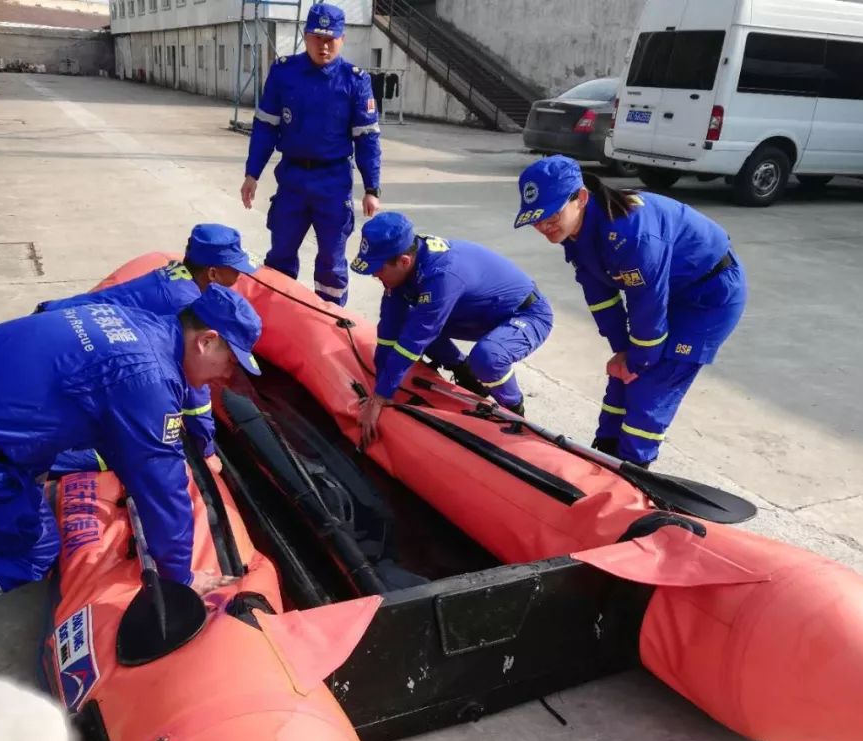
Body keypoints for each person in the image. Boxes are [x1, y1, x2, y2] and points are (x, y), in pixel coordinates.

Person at [0, 286, 263, 675]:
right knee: (32, 553)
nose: (227, 377)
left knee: (36, 485)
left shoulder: (139, 324)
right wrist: (179, 579)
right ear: (206, 340)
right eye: (230, 361)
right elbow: (163, 489)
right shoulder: (146, 380)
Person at [514, 155, 747, 467]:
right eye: (535, 219)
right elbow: (600, 296)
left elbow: (646, 305)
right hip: (669, 291)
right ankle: (604, 454)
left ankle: (634, 470)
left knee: (650, 384)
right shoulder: (577, 232)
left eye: (551, 216)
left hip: (709, 297)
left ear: (580, 198)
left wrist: (639, 358)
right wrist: (621, 349)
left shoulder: (630, 233)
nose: (543, 226)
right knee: (620, 375)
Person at [36, 223, 258, 457]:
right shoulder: (185, 302)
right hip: (66, 347)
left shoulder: (177, 276)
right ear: (212, 273)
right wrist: (206, 449)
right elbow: (194, 388)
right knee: (125, 449)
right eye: (235, 270)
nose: (238, 277)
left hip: (57, 322)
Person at [353, 212, 553, 447]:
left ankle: (514, 410)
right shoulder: (404, 265)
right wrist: (378, 388)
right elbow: (388, 330)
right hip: (476, 312)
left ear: (404, 261)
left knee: (487, 357)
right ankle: (465, 370)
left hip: (525, 314)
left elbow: (413, 341)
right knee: (412, 322)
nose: (375, 275)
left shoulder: (442, 275)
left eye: (378, 269)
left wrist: (381, 396)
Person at [240, 2, 382, 306]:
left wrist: (372, 187)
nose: (324, 45)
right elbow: (265, 127)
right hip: (292, 179)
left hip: (333, 182)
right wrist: (252, 173)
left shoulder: (355, 81)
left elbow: (367, 139)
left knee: (331, 260)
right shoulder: (284, 73)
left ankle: (328, 319)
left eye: (332, 38)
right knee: (280, 254)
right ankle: (276, 312)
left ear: (343, 38)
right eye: (318, 37)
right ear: (306, 36)